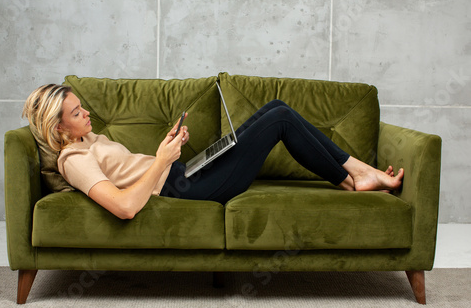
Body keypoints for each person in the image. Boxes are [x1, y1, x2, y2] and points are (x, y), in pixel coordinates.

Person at [23, 84, 404, 219]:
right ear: (57, 128)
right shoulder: (73, 160)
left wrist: (171, 153)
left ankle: (357, 174)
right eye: (76, 113)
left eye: (81, 106)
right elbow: (124, 207)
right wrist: (162, 159)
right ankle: (357, 175)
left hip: (183, 174)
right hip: (183, 190)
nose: (86, 112)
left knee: (273, 108)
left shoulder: (86, 140)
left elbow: (136, 170)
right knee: (281, 118)